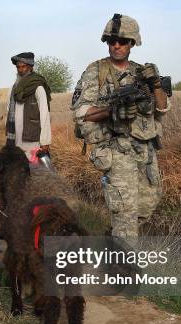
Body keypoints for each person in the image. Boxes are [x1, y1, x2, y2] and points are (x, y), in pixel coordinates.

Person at [71, 14, 170, 245]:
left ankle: (113, 242)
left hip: (145, 151)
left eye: (123, 41)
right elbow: (80, 111)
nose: (116, 45)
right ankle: (124, 274)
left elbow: (162, 109)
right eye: (112, 40)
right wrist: (111, 111)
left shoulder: (142, 73)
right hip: (117, 150)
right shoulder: (96, 70)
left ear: (132, 43)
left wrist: (155, 85)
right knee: (125, 215)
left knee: (146, 206)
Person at [5, 52, 52, 161]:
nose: (21, 70)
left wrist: (45, 141)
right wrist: (8, 130)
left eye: (24, 67)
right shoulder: (13, 89)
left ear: (30, 67)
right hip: (15, 138)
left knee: (35, 171)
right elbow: (8, 111)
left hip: (32, 138)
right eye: (18, 67)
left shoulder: (38, 87)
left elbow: (45, 115)